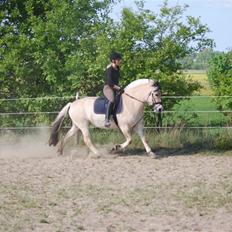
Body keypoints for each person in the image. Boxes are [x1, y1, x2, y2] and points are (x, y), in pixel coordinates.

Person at [103, 52, 123, 127]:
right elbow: (110, 83)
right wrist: (118, 88)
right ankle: (106, 119)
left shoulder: (117, 68)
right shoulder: (109, 69)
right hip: (108, 87)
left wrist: (120, 87)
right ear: (113, 60)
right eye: (118, 60)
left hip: (115, 88)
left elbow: (116, 81)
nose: (120, 61)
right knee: (112, 99)